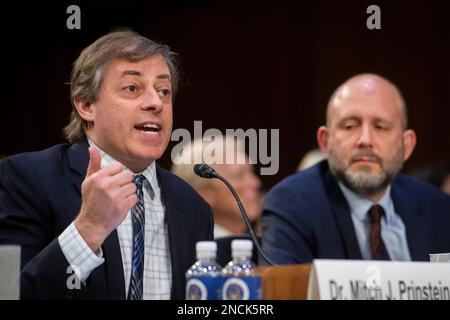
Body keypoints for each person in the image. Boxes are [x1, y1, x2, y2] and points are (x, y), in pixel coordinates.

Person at [0, 30, 213, 299]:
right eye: (132, 88)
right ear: (86, 104)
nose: (156, 103)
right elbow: (11, 294)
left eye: (164, 91)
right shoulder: (27, 178)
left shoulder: (193, 207)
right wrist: (89, 229)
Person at [261, 73, 450, 264]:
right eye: (350, 126)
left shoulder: (439, 209)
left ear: (406, 146)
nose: (365, 140)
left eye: (380, 127)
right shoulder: (293, 205)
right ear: (325, 143)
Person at [171, 135, 263, 239]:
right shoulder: (189, 250)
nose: (255, 183)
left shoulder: (265, 243)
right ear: (204, 195)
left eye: (251, 172)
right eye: (239, 176)